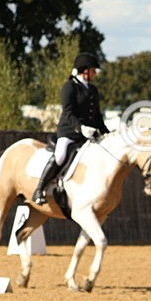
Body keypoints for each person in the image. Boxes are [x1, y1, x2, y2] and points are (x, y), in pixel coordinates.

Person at [32, 51, 109, 205]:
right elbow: (68, 113)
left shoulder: (93, 90)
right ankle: (39, 189)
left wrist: (106, 133)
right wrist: (81, 128)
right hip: (69, 132)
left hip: (88, 134)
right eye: (93, 70)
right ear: (85, 70)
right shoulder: (69, 87)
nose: (95, 73)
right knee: (60, 155)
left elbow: (97, 116)